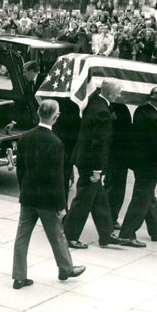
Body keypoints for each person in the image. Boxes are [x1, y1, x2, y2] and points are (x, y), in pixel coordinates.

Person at [12, 99, 85, 290]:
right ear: (56, 117)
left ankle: (19, 276)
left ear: (38, 113)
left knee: (22, 236)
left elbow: (21, 170)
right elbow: (57, 178)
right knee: (57, 235)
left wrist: (24, 190)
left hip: (28, 196)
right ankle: (66, 268)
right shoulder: (56, 143)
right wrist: (61, 205)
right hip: (47, 200)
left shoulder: (25, 137)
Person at [64, 79, 128, 249]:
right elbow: (99, 144)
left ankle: (106, 235)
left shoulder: (94, 103)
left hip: (83, 158)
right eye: (119, 92)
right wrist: (97, 169)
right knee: (83, 201)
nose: (120, 94)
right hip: (90, 163)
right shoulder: (103, 112)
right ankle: (70, 236)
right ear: (111, 93)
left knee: (99, 201)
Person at [118, 86, 157, 247]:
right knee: (141, 199)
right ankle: (126, 234)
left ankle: (155, 230)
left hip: (140, 162)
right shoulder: (153, 117)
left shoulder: (141, 111)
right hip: (149, 164)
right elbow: (156, 143)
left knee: (149, 196)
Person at [105, 97, 132, 228]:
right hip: (118, 155)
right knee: (115, 188)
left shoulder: (114, 108)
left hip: (114, 155)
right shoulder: (119, 109)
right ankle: (110, 218)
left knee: (112, 187)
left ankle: (110, 217)